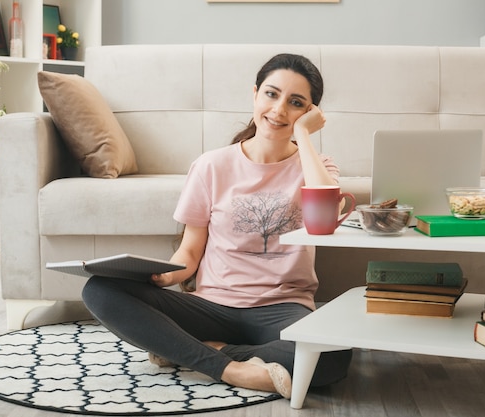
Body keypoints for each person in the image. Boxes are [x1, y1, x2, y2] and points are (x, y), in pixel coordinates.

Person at [82, 53, 353, 399]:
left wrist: (304, 137)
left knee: (333, 357)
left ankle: (203, 353)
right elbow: (191, 250)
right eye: (271, 94)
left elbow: (324, 224)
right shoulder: (211, 165)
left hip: (282, 308)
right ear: (255, 94)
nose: (280, 110)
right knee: (99, 290)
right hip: (212, 306)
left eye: (296, 103)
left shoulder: (317, 165)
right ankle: (233, 369)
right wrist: (165, 276)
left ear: (311, 113)